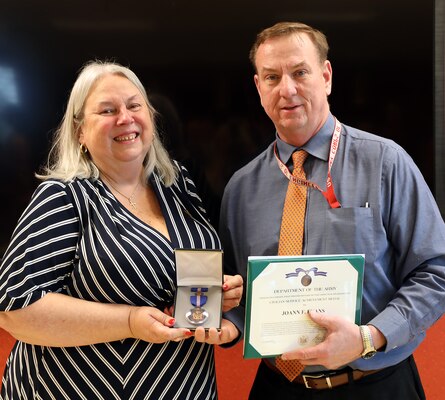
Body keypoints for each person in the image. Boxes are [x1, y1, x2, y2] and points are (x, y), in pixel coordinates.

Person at [219, 21, 445, 399]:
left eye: (300, 72)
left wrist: (367, 338)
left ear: (325, 76)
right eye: (272, 77)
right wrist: (227, 320)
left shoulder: (385, 163)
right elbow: (240, 292)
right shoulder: (241, 188)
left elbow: (437, 271)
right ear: (259, 88)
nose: (286, 89)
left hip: (376, 384)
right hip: (279, 386)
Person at [0, 60, 243, 400]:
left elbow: (188, 282)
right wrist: (129, 321)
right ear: (79, 130)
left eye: (134, 105)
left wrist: (219, 299)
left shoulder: (178, 186)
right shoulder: (64, 196)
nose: (125, 118)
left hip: (186, 386)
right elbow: (15, 308)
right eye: (107, 110)